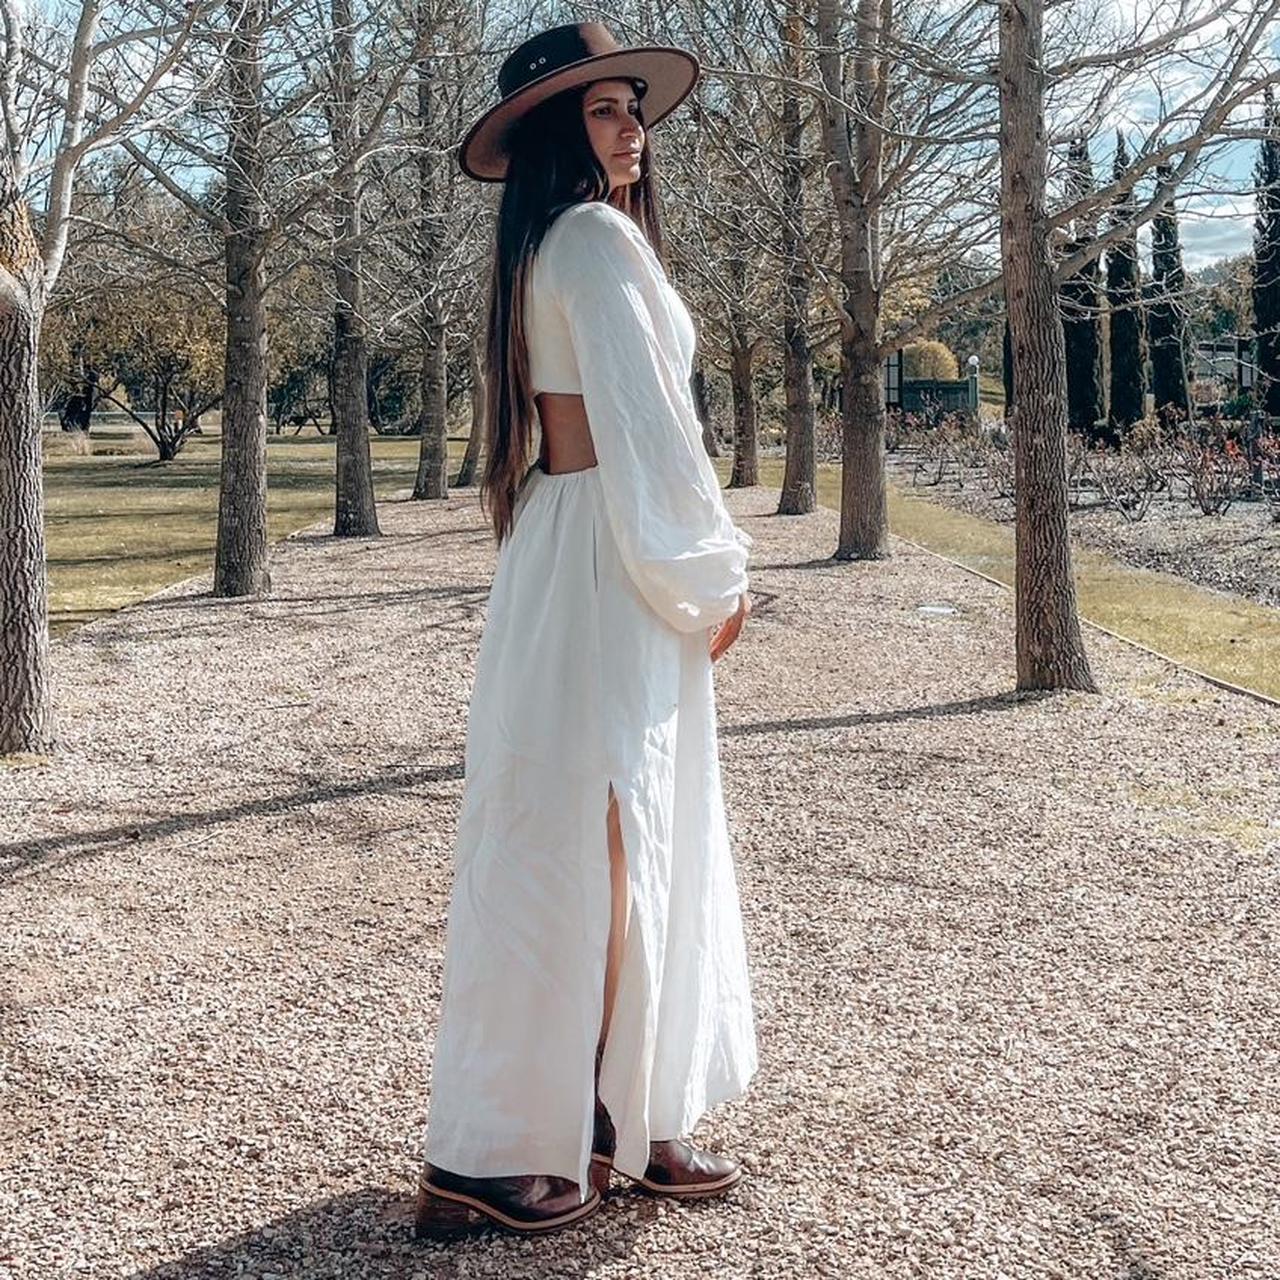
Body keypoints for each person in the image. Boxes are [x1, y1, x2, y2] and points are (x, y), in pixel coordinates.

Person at [415, 21, 757, 1240]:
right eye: (604, 109)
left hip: (576, 551)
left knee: (595, 840)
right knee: (595, 842)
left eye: (633, 106)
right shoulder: (596, 239)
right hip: (612, 555)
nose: (633, 126)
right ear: (561, 131)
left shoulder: (556, 244)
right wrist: (711, 577)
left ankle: (609, 1112)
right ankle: (512, 1140)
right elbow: (651, 430)